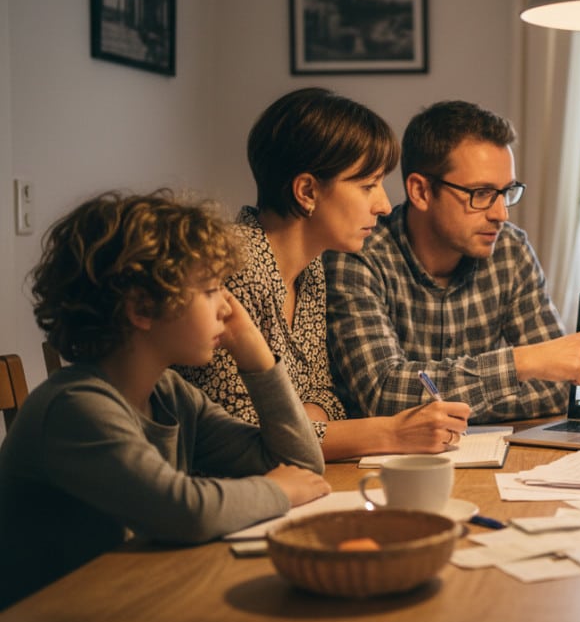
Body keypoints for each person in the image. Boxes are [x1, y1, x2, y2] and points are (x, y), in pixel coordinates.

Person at [0, 191, 331, 609]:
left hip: (124, 603)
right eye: (211, 289)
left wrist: (257, 354)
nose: (228, 307)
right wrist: (276, 491)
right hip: (48, 621)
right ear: (142, 309)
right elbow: (185, 512)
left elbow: (300, 464)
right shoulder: (75, 407)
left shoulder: (169, 394)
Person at [176, 88, 470, 460]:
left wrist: (301, 427)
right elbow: (244, 434)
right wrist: (392, 431)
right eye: (367, 186)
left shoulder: (310, 268)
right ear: (307, 191)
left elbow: (323, 396)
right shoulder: (232, 267)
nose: (382, 205)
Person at [325, 100, 580, 422]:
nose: (501, 214)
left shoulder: (509, 250)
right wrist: (519, 364)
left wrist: (442, 407)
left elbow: (558, 386)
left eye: (506, 192)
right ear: (421, 192)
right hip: (383, 469)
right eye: (482, 193)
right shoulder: (359, 256)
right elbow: (384, 394)